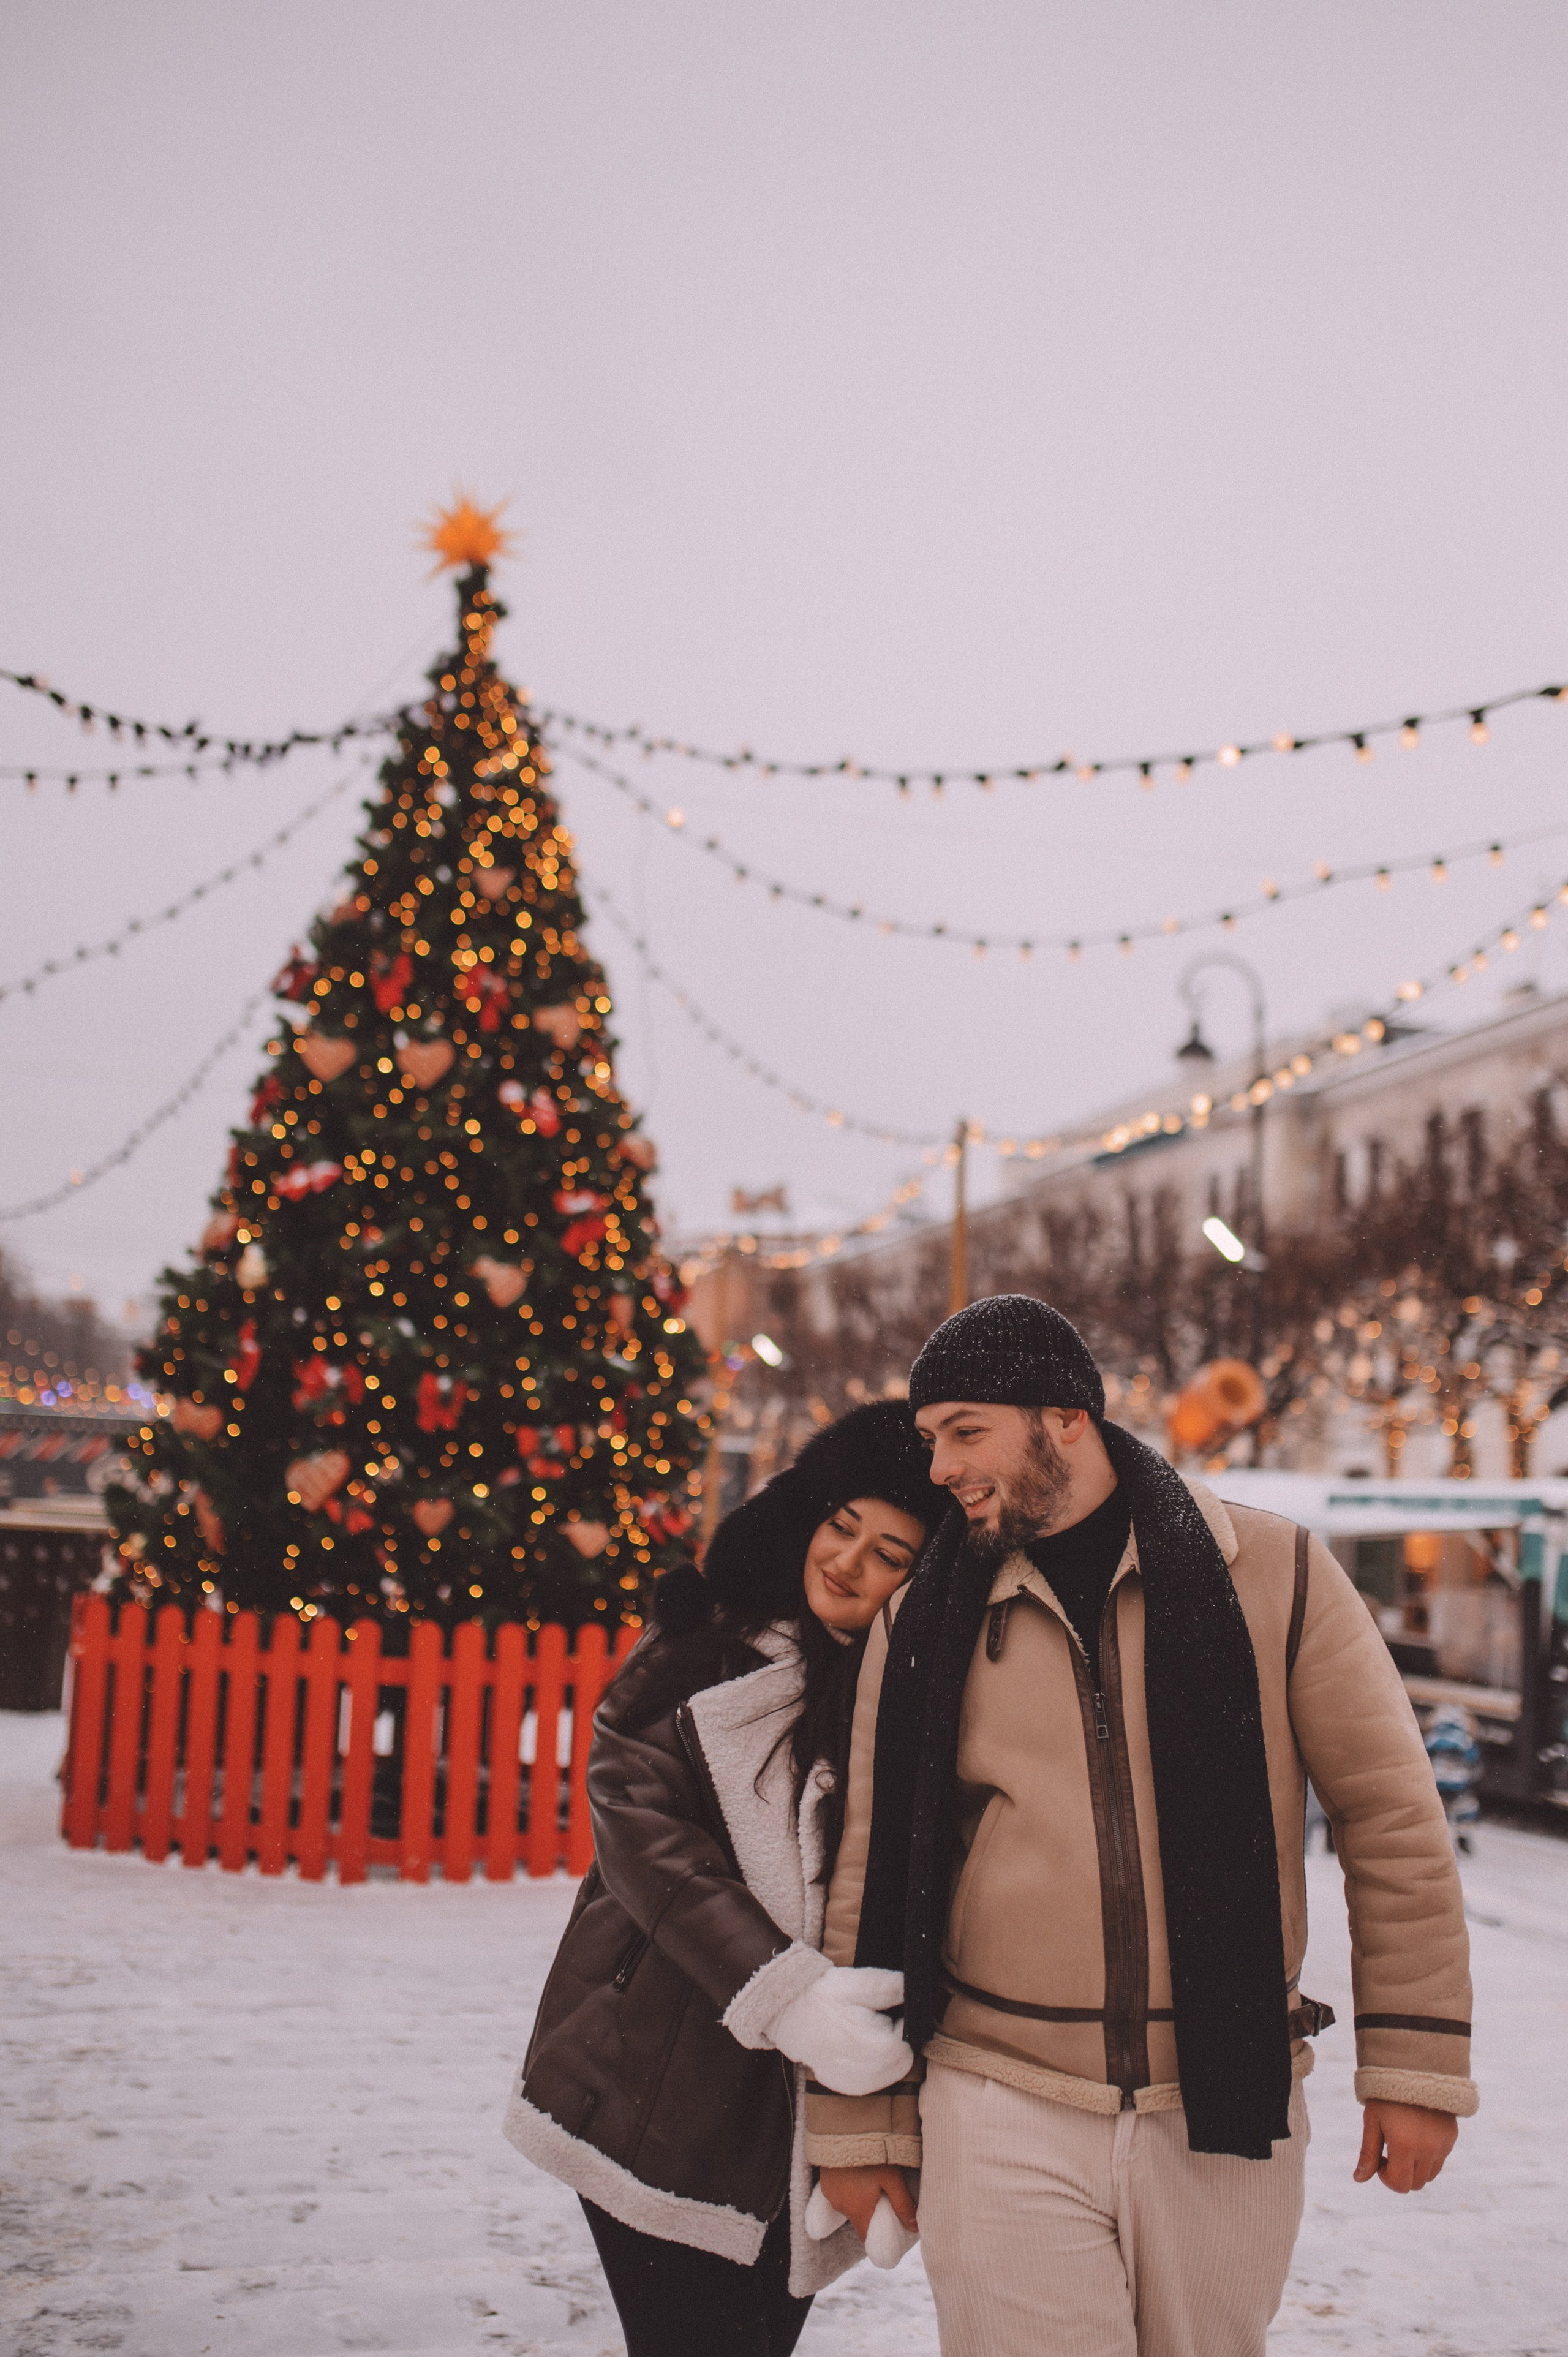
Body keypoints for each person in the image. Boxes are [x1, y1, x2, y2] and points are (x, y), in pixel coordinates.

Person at [807, 1295, 1477, 2357]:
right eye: (931, 1439)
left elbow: (1391, 1820)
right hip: (996, 2093)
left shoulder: (1276, 1573)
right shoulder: (922, 1617)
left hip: (1222, 2094)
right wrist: (857, 2115)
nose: (938, 1467)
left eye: (965, 1432)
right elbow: (871, 1870)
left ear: (1064, 1419)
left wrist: (1414, 2063)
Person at [504, 1400, 935, 2357]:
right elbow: (646, 1837)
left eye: (890, 1555)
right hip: (656, 2085)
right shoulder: (701, 1656)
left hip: (799, 2124)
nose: (848, 1563)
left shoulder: (907, 1711)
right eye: (842, 1528)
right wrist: (787, 1993)